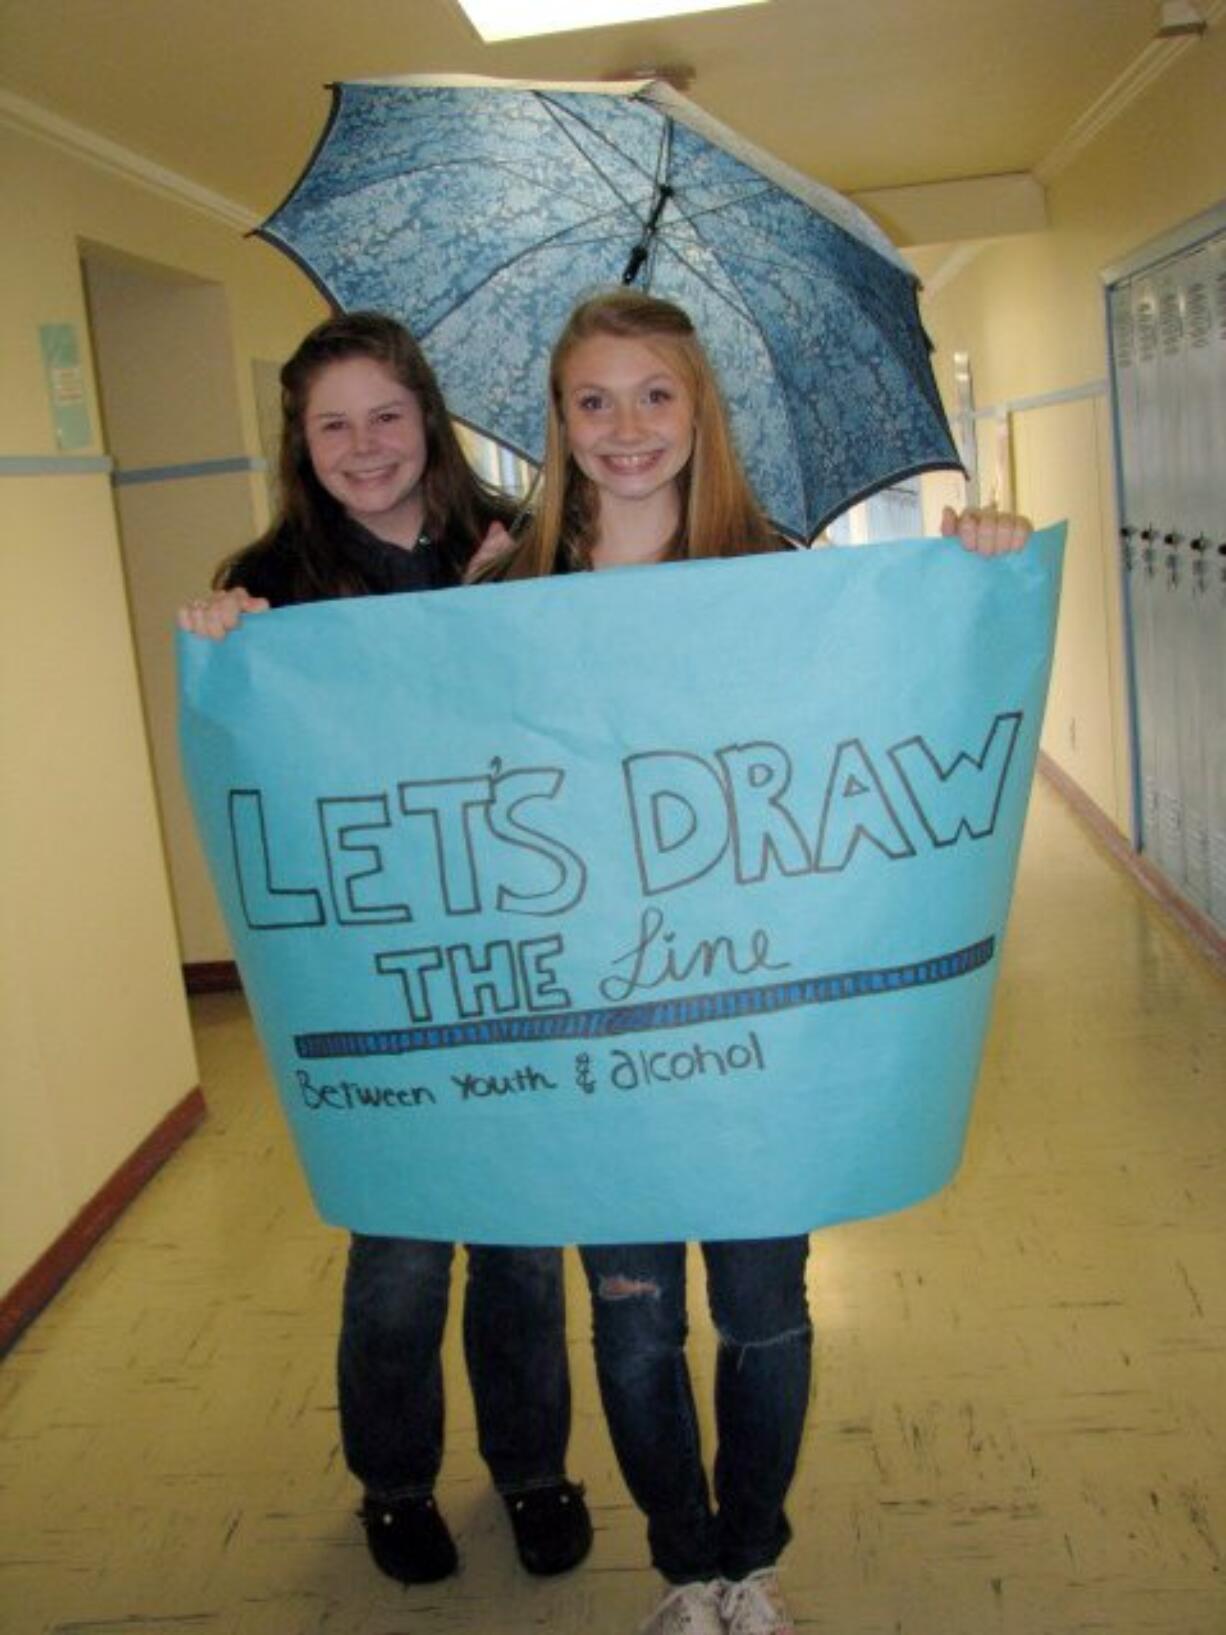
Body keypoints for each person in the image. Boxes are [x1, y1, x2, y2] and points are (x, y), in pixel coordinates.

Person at [483, 288, 1031, 1635]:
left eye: (654, 394)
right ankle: (683, 1567)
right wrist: (242, 650)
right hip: (594, 1037)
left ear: (699, 411)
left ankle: (751, 1557)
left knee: (760, 1307)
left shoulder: (780, 568)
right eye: (592, 399)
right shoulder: (500, 597)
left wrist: (980, 571)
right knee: (628, 1318)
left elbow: (891, 703)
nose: (624, 427)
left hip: (752, 1029)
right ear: (557, 419)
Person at [177, 311, 590, 1587]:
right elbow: (263, 770)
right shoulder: (269, 585)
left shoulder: (526, 545)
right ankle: (395, 1483)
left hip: (519, 945)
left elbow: (599, 712)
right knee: (400, 1259)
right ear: (299, 445)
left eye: (386, 415)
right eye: (331, 425)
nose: (364, 447)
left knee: (521, 1247)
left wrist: (502, 617)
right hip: (378, 970)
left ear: (430, 416)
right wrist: (217, 661)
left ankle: (531, 1470)